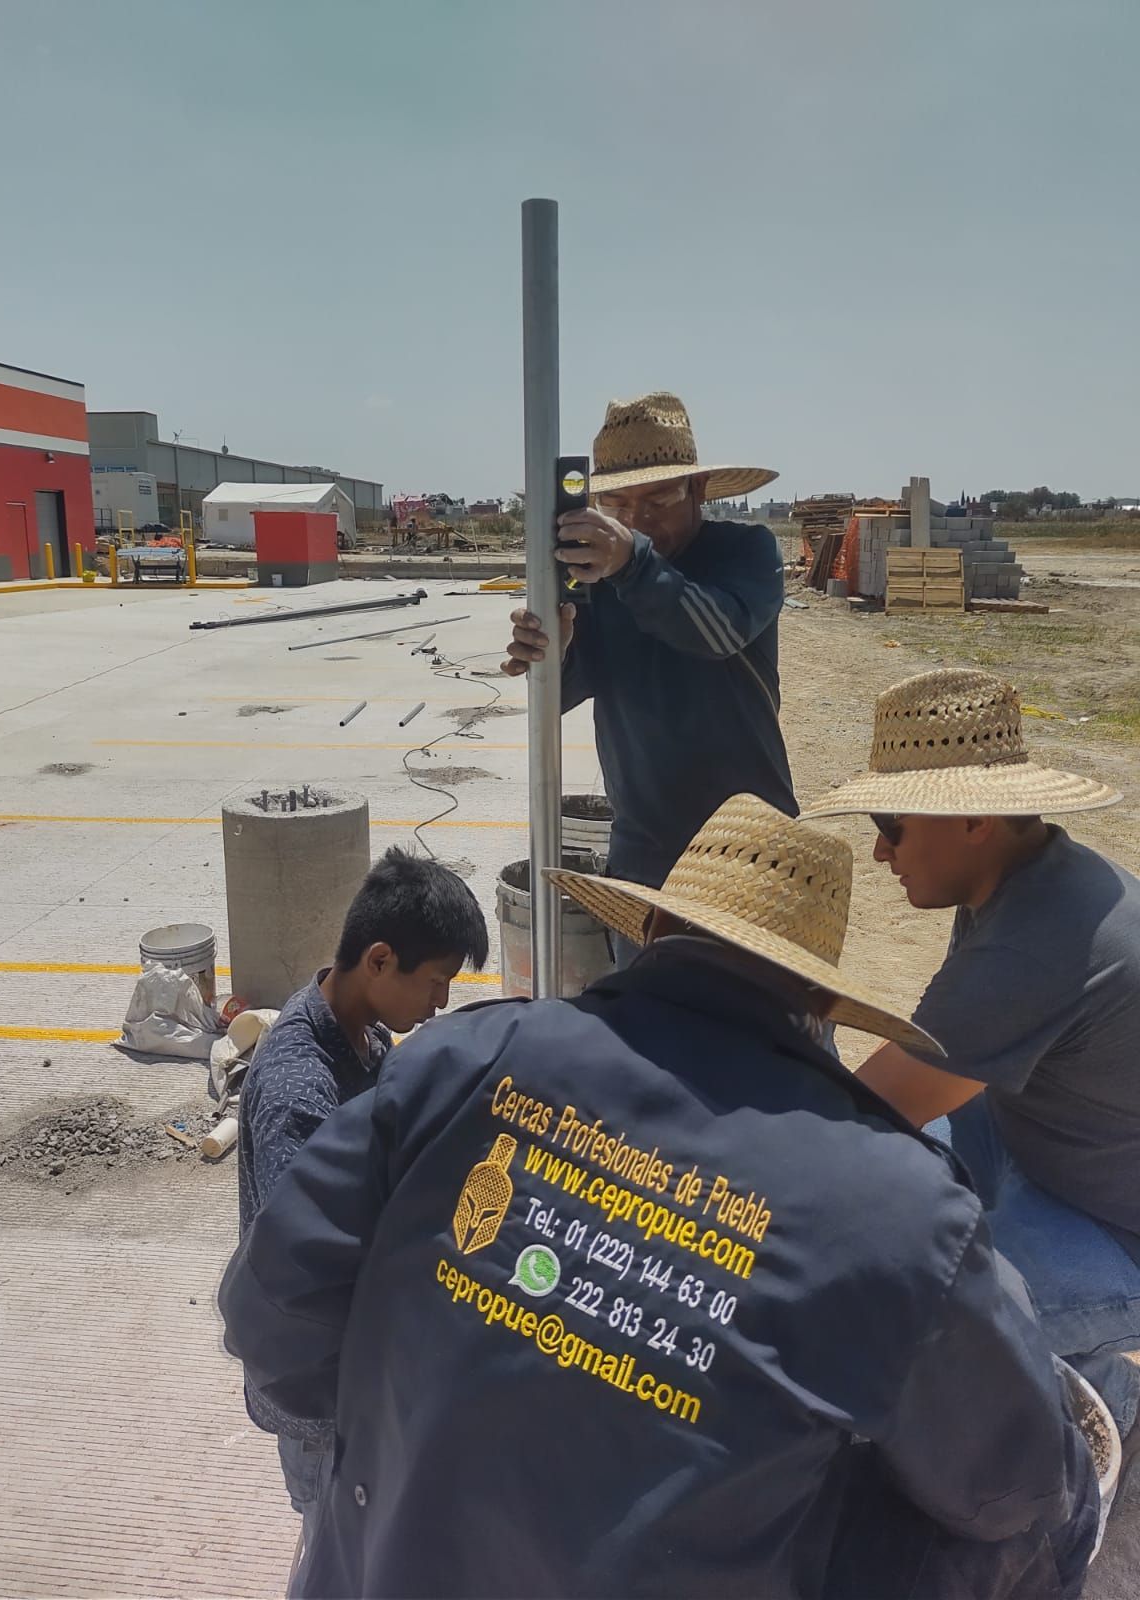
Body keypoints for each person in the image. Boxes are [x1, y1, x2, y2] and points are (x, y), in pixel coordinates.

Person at [219, 796, 1096, 1600]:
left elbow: (271, 1313)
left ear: (651, 929)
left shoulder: (462, 1060)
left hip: (378, 1571)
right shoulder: (899, 1210)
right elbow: (1015, 1486)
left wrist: (409, 1434)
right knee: (1061, 1512)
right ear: (822, 1001)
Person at [804, 667, 1140, 1460]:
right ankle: (1072, 1376)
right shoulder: (1027, 878)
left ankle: (1094, 1398)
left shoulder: (1036, 943)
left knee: (917, 1338)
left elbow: (867, 1109)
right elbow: (924, 1065)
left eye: (891, 824)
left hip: (1112, 1226)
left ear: (975, 819)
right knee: (888, 1212)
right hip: (1044, 1143)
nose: (880, 851)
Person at [234, 847, 488, 1562]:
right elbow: (302, 1271)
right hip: (323, 1394)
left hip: (357, 1374)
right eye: (435, 981)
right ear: (379, 960)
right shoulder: (298, 1087)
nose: (441, 1002)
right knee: (334, 1557)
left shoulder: (363, 1030)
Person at [503, 392, 797, 959]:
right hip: (646, 861)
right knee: (648, 1009)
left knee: (759, 1009)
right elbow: (569, 690)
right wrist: (551, 653)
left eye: (657, 500)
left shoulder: (744, 553)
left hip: (751, 853)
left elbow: (718, 633)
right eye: (618, 505)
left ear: (698, 489)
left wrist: (633, 564)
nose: (637, 522)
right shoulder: (603, 580)